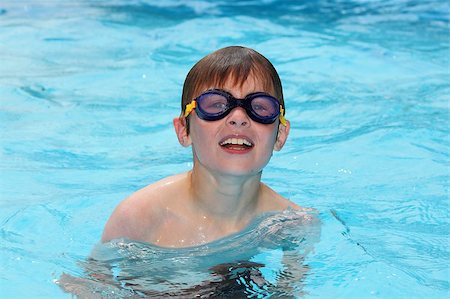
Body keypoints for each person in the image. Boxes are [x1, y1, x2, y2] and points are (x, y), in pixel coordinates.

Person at [101, 46, 301, 248]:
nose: (239, 118)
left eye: (259, 107)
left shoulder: (292, 224)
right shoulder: (139, 216)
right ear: (184, 131)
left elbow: (294, 280)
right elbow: (92, 278)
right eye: (216, 105)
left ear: (280, 134)